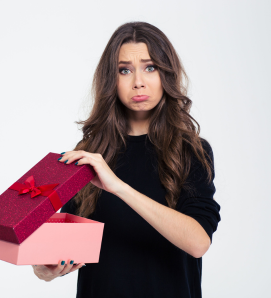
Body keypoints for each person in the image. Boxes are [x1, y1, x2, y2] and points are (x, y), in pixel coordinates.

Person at [32, 21, 221, 298]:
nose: (138, 82)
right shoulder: (89, 153)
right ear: (112, 79)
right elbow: (63, 247)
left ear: (166, 74)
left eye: (150, 67)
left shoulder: (191, 150)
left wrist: (117, 186)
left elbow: (198, 243)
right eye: (125, 70)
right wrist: (44, 269)